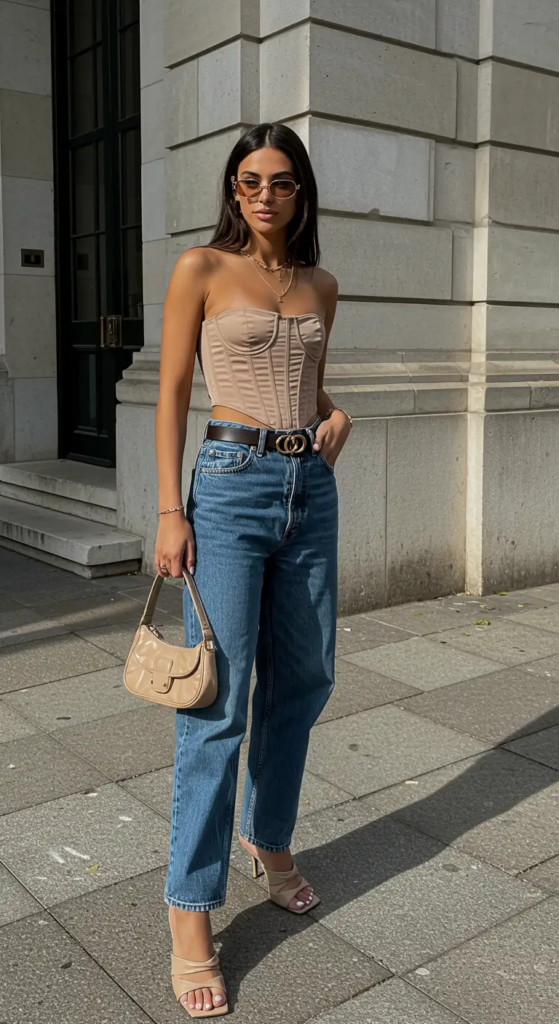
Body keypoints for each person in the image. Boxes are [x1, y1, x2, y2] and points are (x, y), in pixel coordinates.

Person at [154, 122, 353, 1018]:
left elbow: (310, 386)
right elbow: (171, 392)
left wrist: (334, 414)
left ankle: (266, 838)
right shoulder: (200, 267)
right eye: (245, 181)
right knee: (217, 700)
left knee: (305, 677)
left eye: (276, 180)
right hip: (227, 486)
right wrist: (169, 510)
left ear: (300, 191)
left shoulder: (320, 285)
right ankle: (188, 908)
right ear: (232, 192)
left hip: (307, 488)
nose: (261, 193)